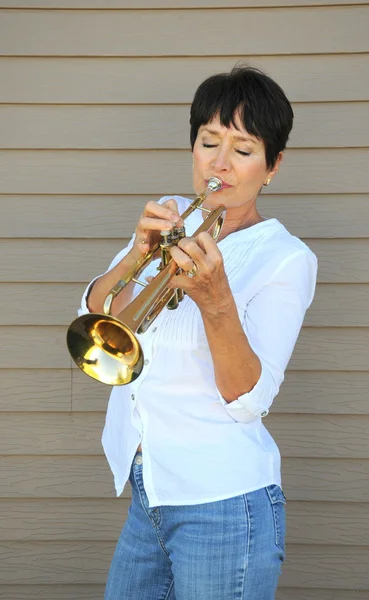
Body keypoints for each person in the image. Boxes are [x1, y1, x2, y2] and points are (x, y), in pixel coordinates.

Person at [78, 65, 318, 600]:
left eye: (244, 148)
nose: (220, 162)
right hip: (150, 491)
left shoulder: (285, 259)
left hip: (224, 504)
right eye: (209, 141)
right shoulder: (169, 221)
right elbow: (99, 316)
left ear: (273, 166)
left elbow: (247, 396)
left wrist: (215, 299)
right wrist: (134, 258)